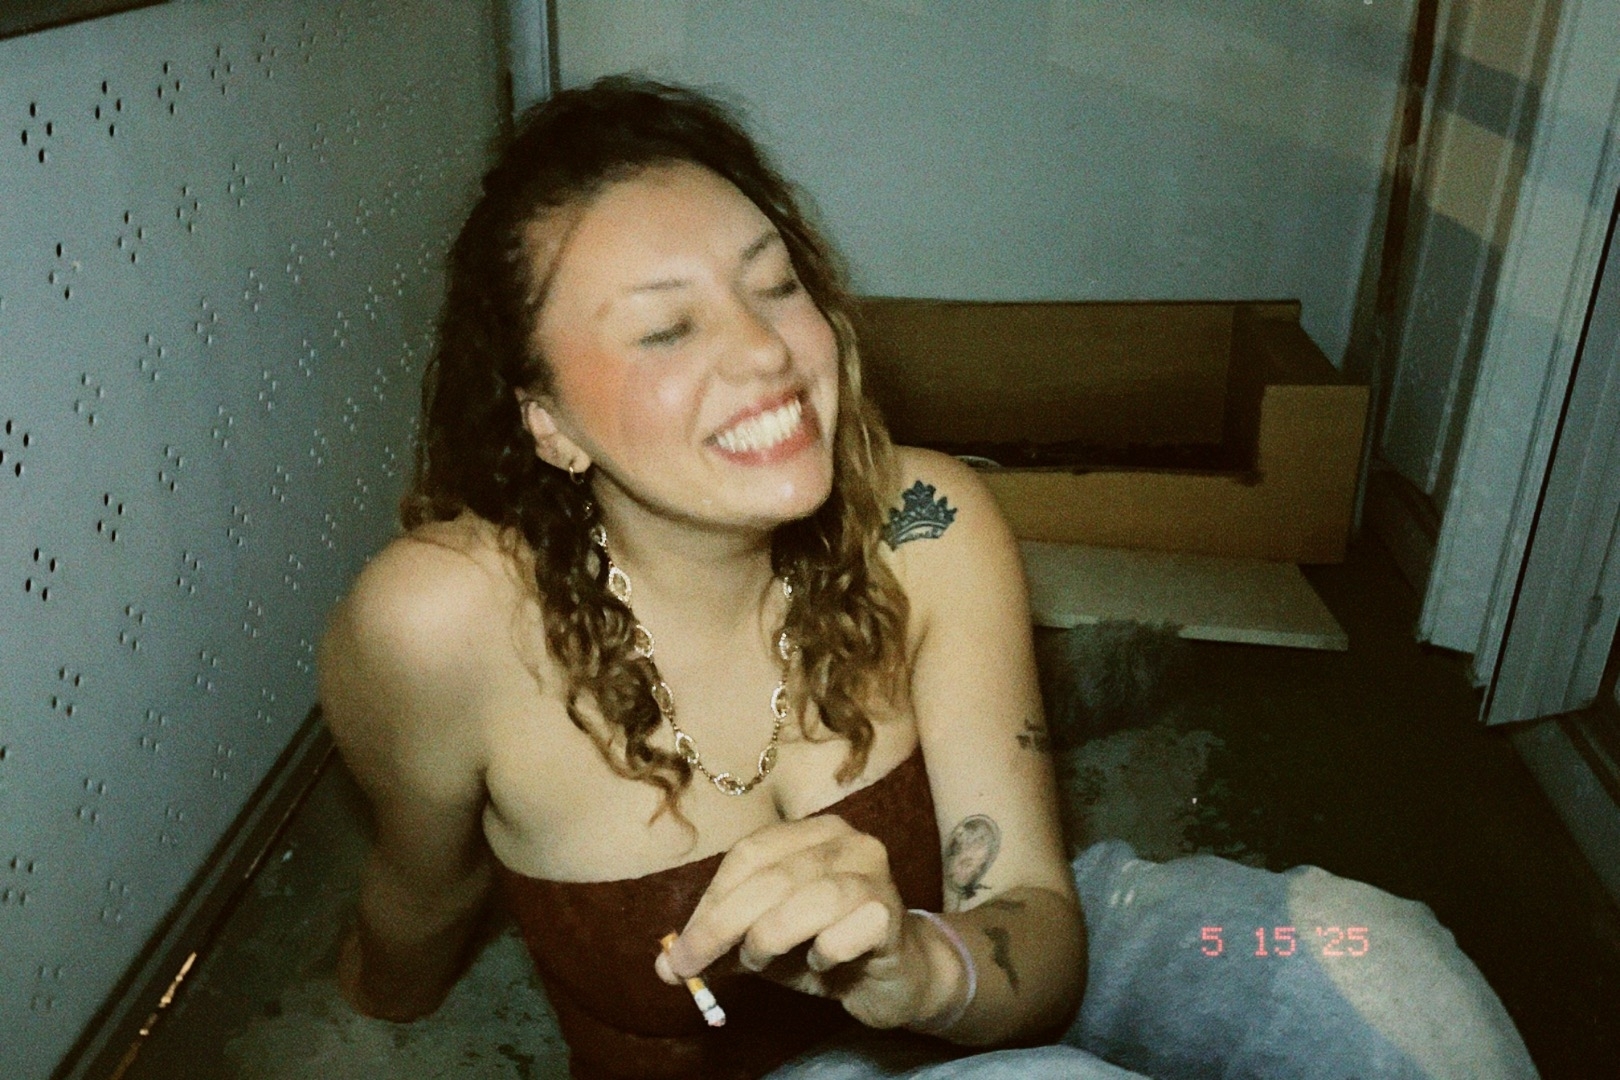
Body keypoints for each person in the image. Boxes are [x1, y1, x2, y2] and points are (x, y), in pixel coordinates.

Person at [317, 77, 1540, 1080]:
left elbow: (1031, 917)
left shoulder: (928, 522)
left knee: (1376, 957)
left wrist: (922, 967)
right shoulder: (442, 621)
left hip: (963, 954)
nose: (767, 350)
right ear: (545, 421)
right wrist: (366, 1018)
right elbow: (420, 898)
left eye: (775, 284)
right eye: (666, 327)